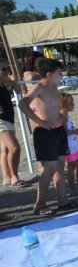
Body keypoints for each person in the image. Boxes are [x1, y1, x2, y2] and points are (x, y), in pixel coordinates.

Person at [18, 58, 78, 215]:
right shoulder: (39, 87)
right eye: (59, 73)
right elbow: (22, 103)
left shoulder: (54, 87)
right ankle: (40, 204)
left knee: (60, 167)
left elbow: (52, 107)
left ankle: (63, 201)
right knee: (49, 169)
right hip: (45, 132)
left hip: (58, 131)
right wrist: (39, 121)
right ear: (50, 74)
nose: (62, 76)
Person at [0, 60, 28, 188]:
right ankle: (14, 177)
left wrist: (12, 78)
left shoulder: (3, 83)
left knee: (5, 149)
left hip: (8, 118)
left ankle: (7, 178)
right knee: (15, 148)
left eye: (7, 69)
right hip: (2, 120)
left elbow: (17, 90)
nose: (7, 72)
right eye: (3, 69)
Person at [58, 92, 78, 193]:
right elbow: (64, 132)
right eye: (71, 103)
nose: (74, 105)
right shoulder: (62, 117)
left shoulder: (66, 116)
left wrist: (76, 130)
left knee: (77, 164)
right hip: (68, 145)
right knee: (71, 166)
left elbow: (69, 129)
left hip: (73, 144)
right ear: (64, 105)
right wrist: (76, 131)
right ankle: (72, 187)